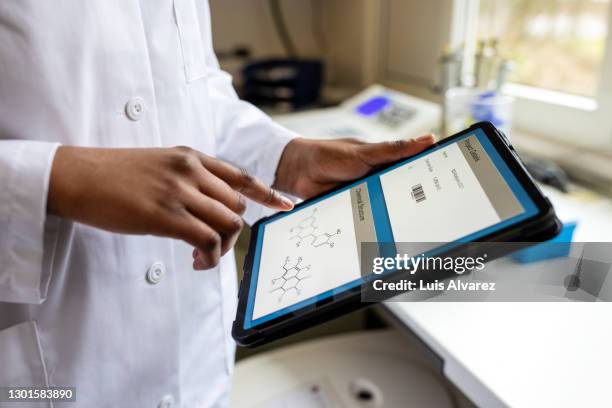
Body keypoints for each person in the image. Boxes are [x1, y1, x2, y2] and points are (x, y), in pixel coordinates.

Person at [0, 1, 434, 406]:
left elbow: (198, 88)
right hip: (63, 363)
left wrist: (284, 159)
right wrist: (60, 178)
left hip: (198, 357)